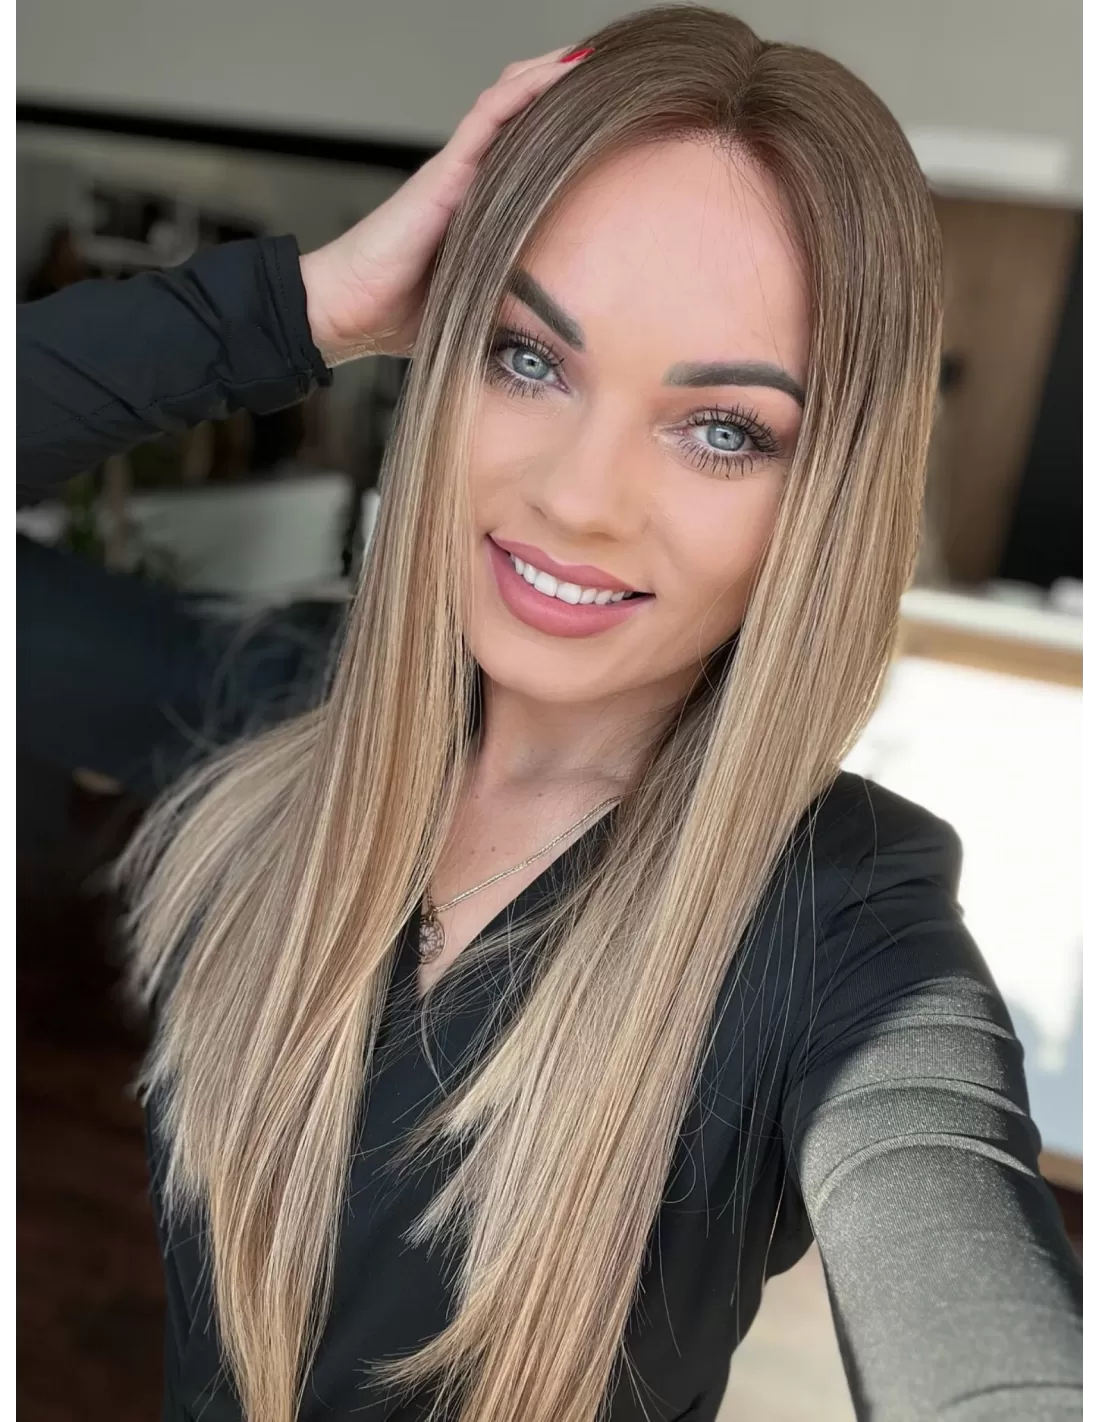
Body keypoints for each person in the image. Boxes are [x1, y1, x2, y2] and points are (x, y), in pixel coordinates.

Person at [16, 10, 1082, 1422]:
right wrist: (301, 310)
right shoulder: (288, 706)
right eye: (528, 356)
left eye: (723, 429)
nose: (579, 497)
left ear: (823, 496)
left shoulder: (848, 927)